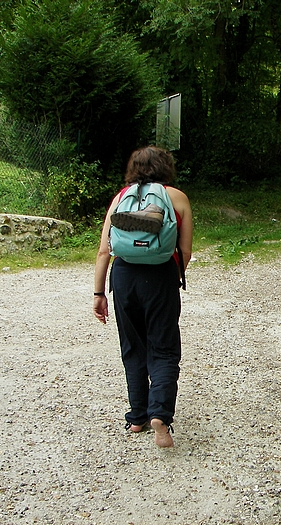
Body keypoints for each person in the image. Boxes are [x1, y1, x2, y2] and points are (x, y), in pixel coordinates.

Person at [93, 146, 192, 448]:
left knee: (132, 345)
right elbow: (185, 251)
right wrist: (172, 274)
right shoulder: (177, 198)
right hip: (161, 275)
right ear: (166, 167)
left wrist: (98, 293)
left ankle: (137, 416)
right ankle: (159, 414)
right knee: (163, 348)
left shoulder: (120, 198)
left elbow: (103, 251)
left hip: (123, 277)